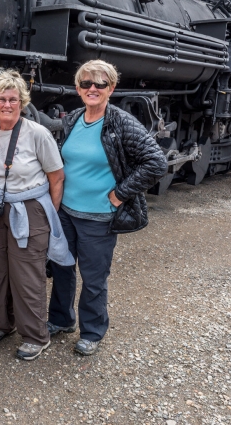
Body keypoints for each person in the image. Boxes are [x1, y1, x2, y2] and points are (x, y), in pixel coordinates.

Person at [47, 60, 167, 356]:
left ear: (111, 88)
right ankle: (62, 320)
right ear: (78, 88)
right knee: (62, 269)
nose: (93, 88)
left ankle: (92, 330)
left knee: (94, 277)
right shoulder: (73, 118)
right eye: (86, 83)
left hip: (98, 217)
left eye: (100, 84)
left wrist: (119, 194)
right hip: (66, 213)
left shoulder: (120, 122)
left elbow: (156, 162)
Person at [0, 70, 73, 361]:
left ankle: (35, 335)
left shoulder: (37, 133)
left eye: (13, 100)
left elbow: (56, 178)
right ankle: (2, 324)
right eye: (1, 99)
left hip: (28, 208)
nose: (7, 105)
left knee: (27, 275)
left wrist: (46, 215)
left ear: (23, 102)